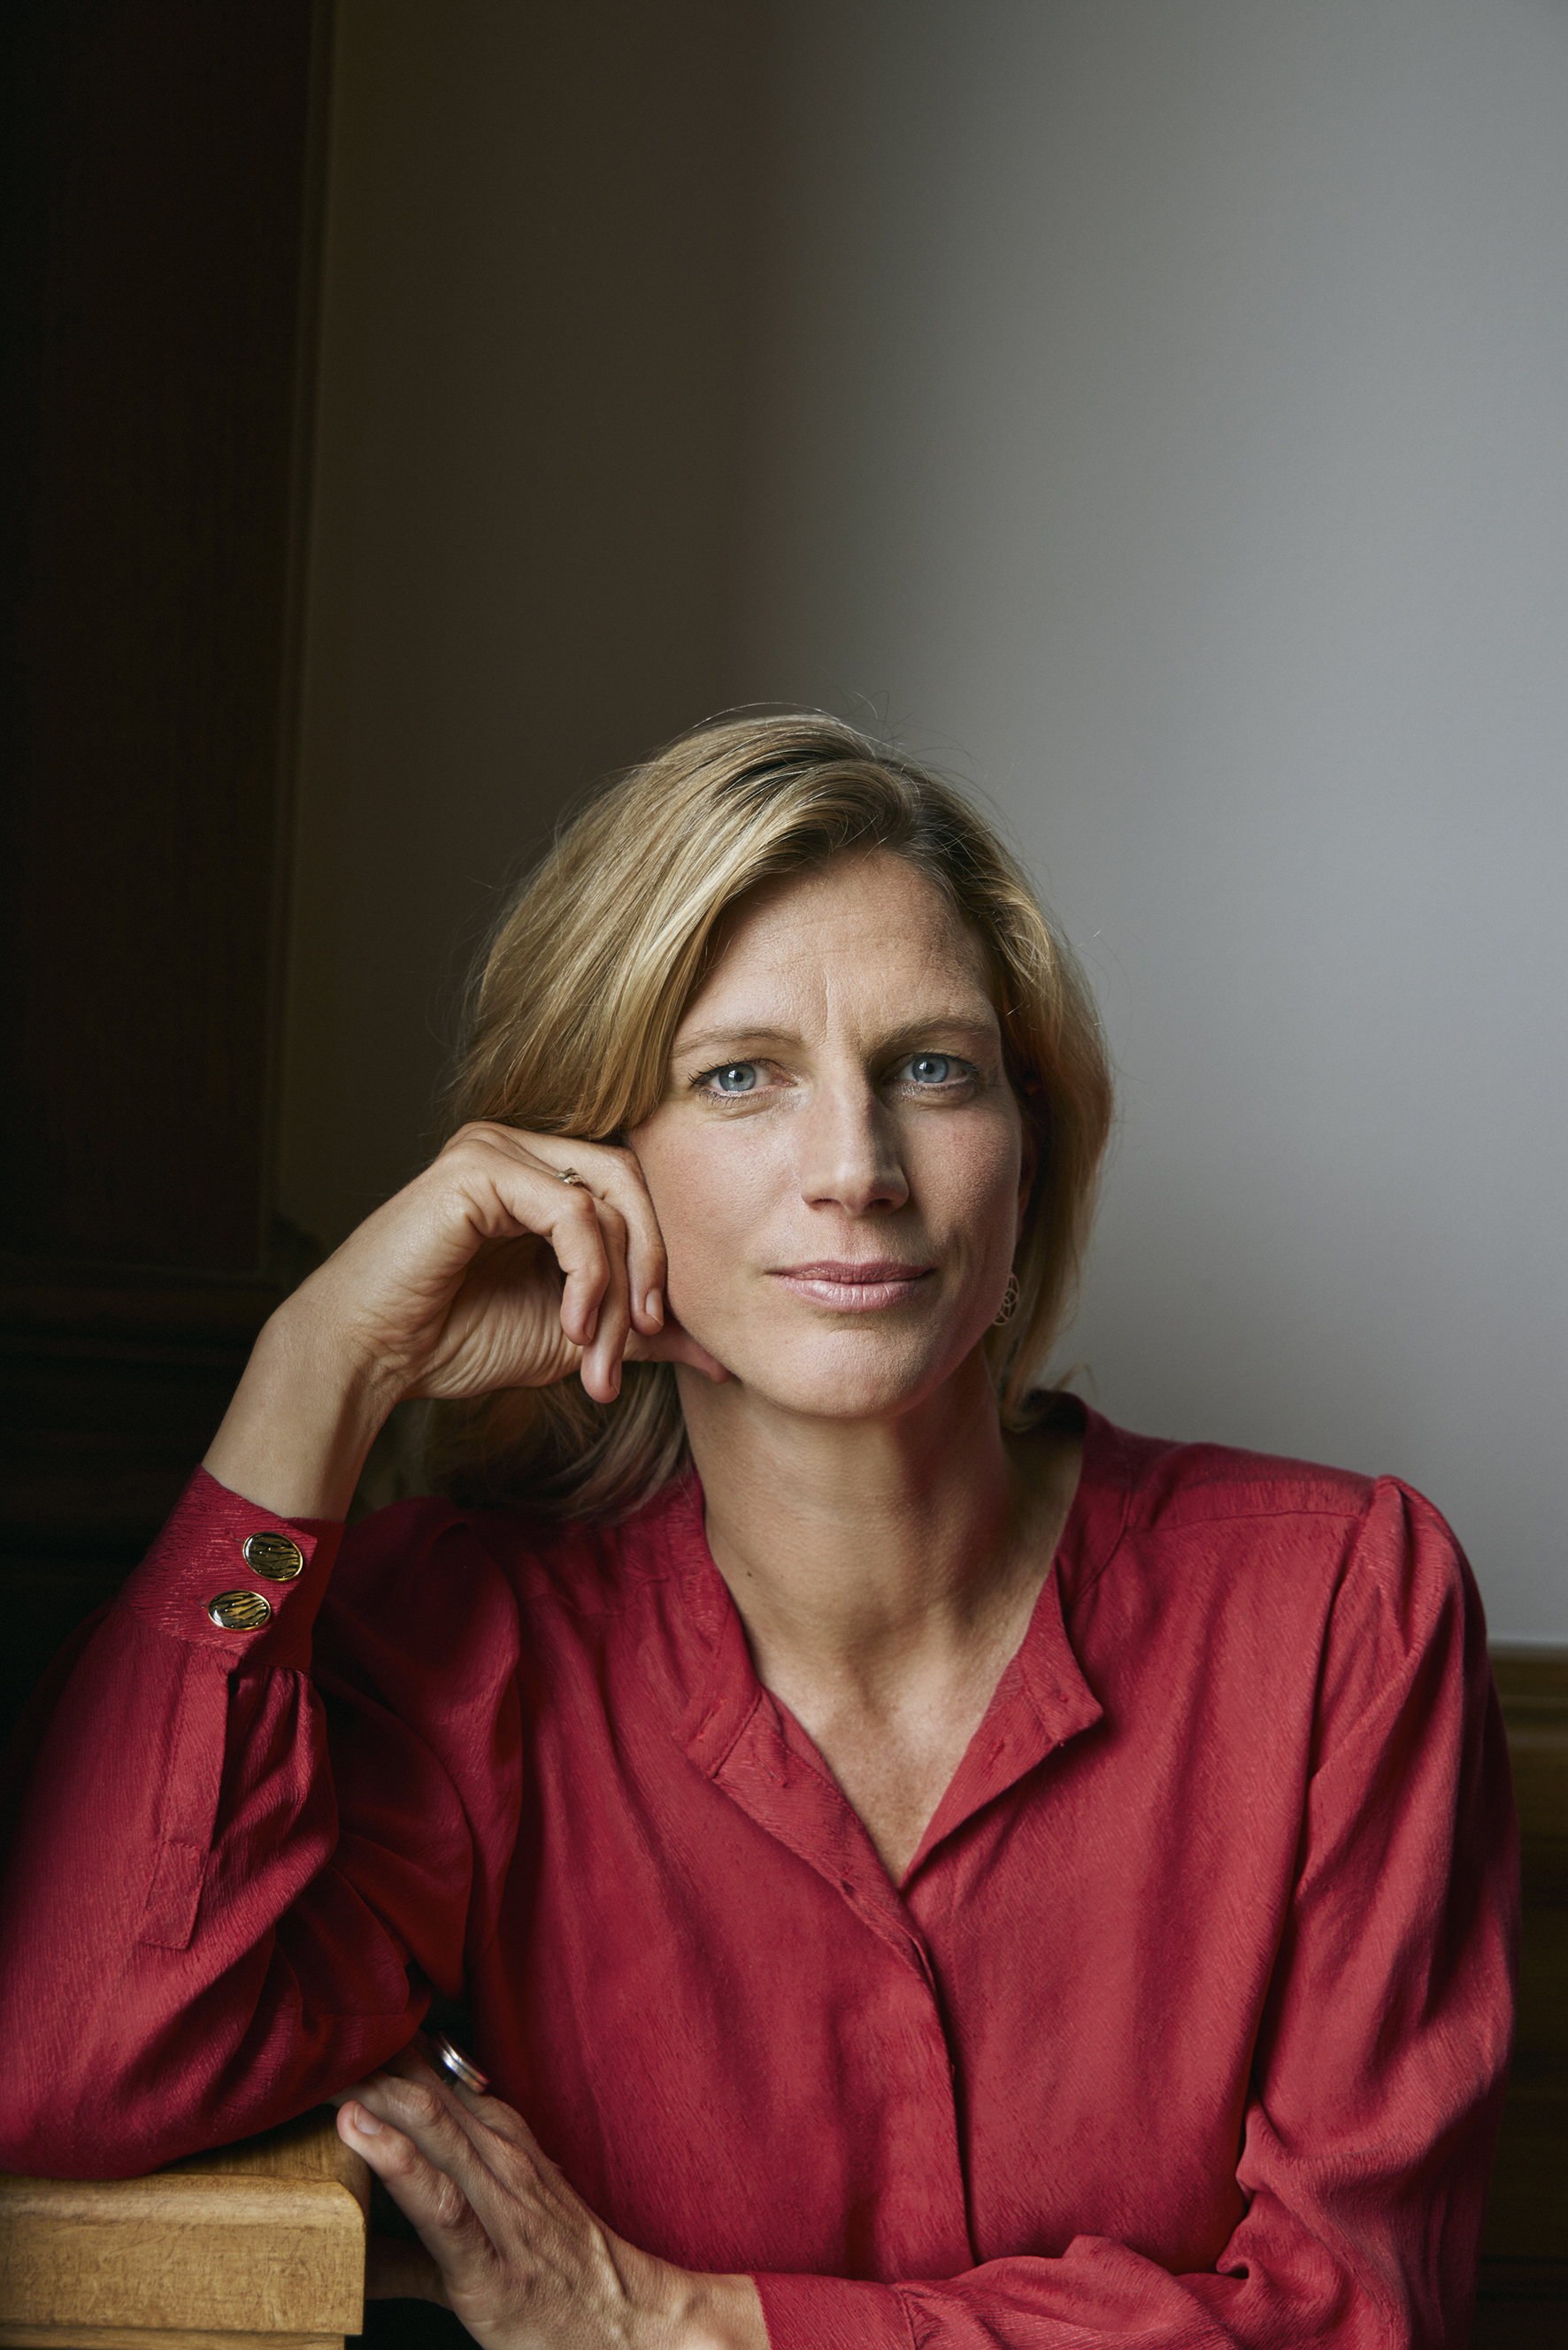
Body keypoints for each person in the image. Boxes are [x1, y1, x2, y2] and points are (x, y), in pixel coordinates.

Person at [0, 714, 1516, 2350]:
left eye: (932, 1069)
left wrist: (684, 2327)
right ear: (589, 1165)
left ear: (1029, 1148)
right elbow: (77, 2061)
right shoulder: (464, 1648)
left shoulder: (1344, 1607)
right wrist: (315, 1369)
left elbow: (1356, 2318)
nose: (856, 1168)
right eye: (739, 1078)